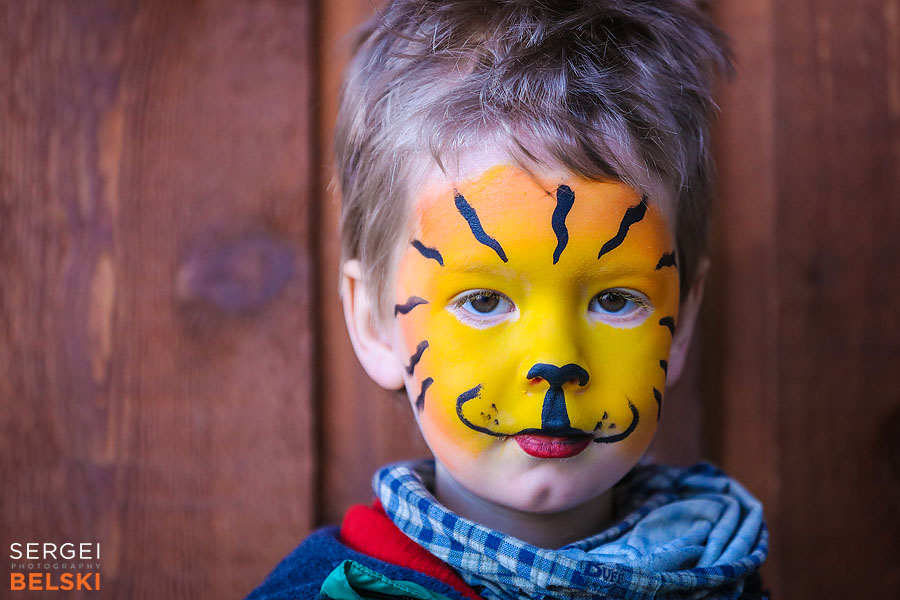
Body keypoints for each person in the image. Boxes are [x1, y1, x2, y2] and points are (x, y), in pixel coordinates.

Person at [248, 1, 768, 598]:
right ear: (373, 321)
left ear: (682, 322)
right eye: (485, 301)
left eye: (616, 300)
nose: (556, 362)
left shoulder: (725, 573)